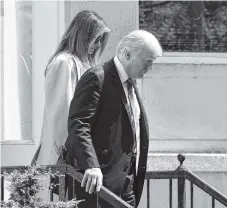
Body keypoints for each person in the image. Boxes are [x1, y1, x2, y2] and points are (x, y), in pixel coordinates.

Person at [64, 30, 162, 207]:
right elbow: (79, 124)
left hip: (126, 185)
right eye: (147, 62)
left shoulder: (131, 83)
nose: (150, 68)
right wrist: (91, 165)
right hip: (98, 186)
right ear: (127, 54)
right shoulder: (97, 77)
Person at [31, 10, 110, 166]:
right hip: (69, 158)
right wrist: (75, 155)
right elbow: (62, 114)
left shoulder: (85, 64)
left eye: (101, 39)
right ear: (82, 36)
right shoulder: (64, 63)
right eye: (96, 39)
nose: (99, 44)